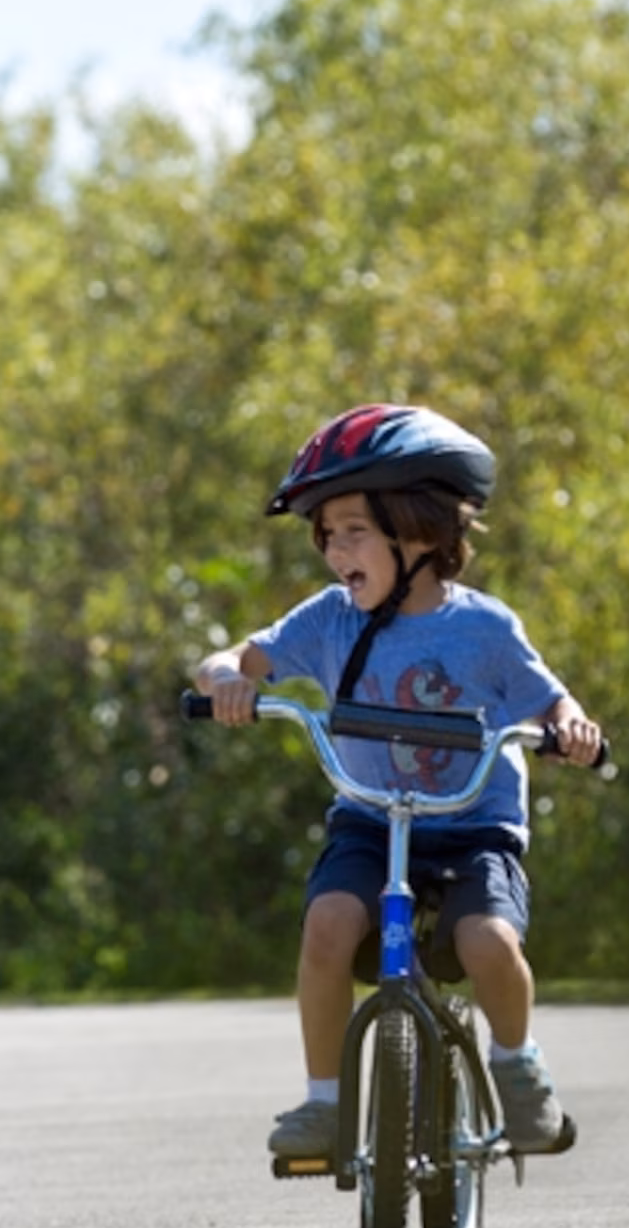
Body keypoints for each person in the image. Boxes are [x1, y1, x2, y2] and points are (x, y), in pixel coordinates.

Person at [191, 403, 603, 1159]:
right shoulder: (329, 620)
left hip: (472, 824)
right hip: (372, 819)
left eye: (353, 530)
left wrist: (571, 728)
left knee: (486, 942)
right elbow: (233, 658)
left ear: (419, 532)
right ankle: (324, 1101)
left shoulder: (484, 630)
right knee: (326, 929)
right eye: (326, 536)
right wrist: (225, 682)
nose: (334, 550)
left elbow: (552, 702)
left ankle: (518, 1066)